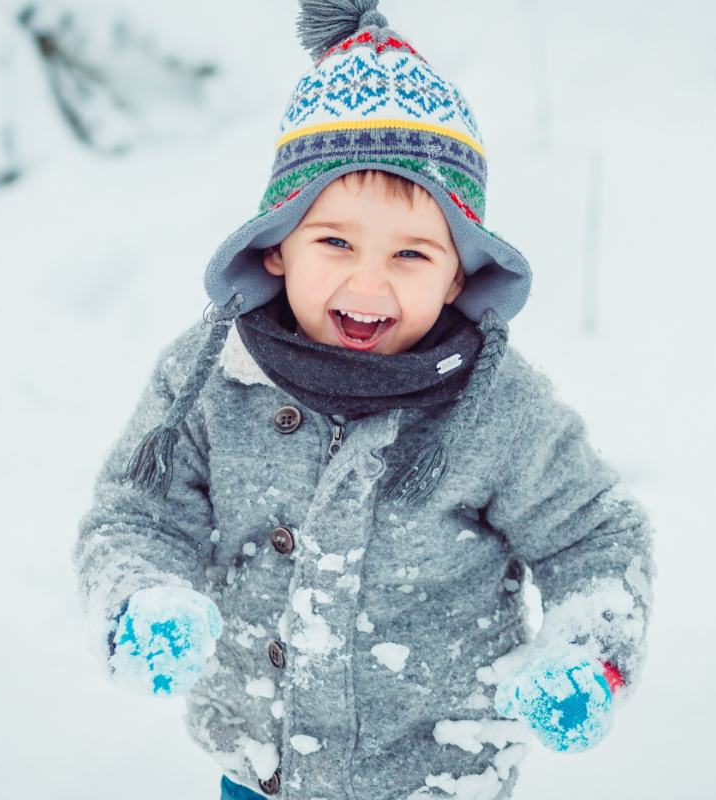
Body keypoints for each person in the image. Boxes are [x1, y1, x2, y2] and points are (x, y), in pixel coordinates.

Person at [72, 2, 656, 798]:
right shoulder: (216, 376)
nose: (369, 282)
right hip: (259, 765)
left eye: (412, 253)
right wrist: (142, 596)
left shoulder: (495, 407)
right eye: (335, 241)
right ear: (277, 244)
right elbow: (137, 510)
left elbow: (594, 535)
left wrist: (587, 655)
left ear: (459, 275)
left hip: (437, 774)